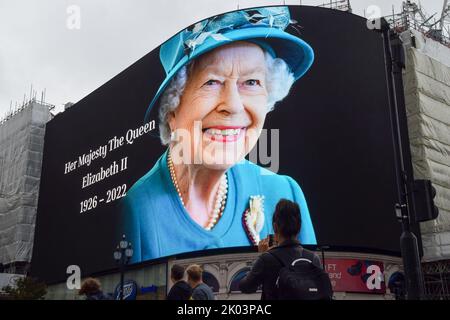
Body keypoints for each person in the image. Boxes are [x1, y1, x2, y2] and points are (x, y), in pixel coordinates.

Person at [121, 6, 317, 264]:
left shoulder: (285, 193)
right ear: (172, 109)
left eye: (251, 82)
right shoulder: (139, 209)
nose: (233, 105)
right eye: (211, 82)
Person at [239, 199, 322, 300]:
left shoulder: (267, 259)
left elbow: (246, 287)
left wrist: (260, 257)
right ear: (299, 227)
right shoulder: (313, 258)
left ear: (275, 227)